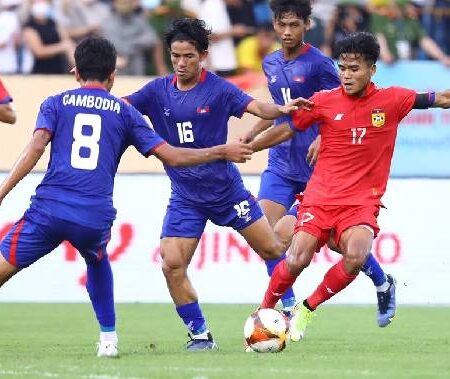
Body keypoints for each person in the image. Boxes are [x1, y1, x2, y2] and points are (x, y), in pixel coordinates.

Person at [0, 36, 254, 358]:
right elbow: (173, 156)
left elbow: (35, 148)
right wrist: (221, 151)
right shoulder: (124, 112)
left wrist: (2, 192)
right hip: (93, 216)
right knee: (96, 258)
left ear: (75, 72)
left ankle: (109, 337)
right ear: (112, 76)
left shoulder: (55, 103)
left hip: (49, 209)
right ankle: (108, 340)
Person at [124, 17, 311, 351]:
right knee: (171, 263)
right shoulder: (156, 91)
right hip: (186, 197)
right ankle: (199, 334)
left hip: (227, 192)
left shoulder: (219, 89)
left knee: (271, 249)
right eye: (175, 56)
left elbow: (255, 106)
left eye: (188, 57)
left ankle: (290, 307)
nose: (181, 63)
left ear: (204, 56)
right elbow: (122, 107)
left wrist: (281, 108)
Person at [251, 31, 449, 341]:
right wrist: (252, 147)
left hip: (360, 200)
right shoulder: (323, 101)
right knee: (297, 258)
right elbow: (288, 129)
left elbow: (442, 99)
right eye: (342, 67)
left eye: (354, 68)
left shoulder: (394, 99)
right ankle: (263, 313)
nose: (346, 75)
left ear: (372, 69)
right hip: (319, 196)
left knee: (356, 255)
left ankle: (305, 309)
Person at [242, 0, 396, 328]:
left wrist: (322, 137)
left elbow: (342, 104)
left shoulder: (320, 64)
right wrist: (250, 138)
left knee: (331, 240)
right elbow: (279, 109)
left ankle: (381, 280)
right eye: (281, 24)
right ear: (273, 24)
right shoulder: (270, 62)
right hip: (282, 164)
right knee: (264, 235)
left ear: (307, 25)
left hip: (319, 168)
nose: (287, 31)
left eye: (294, 25)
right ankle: (286, 305)